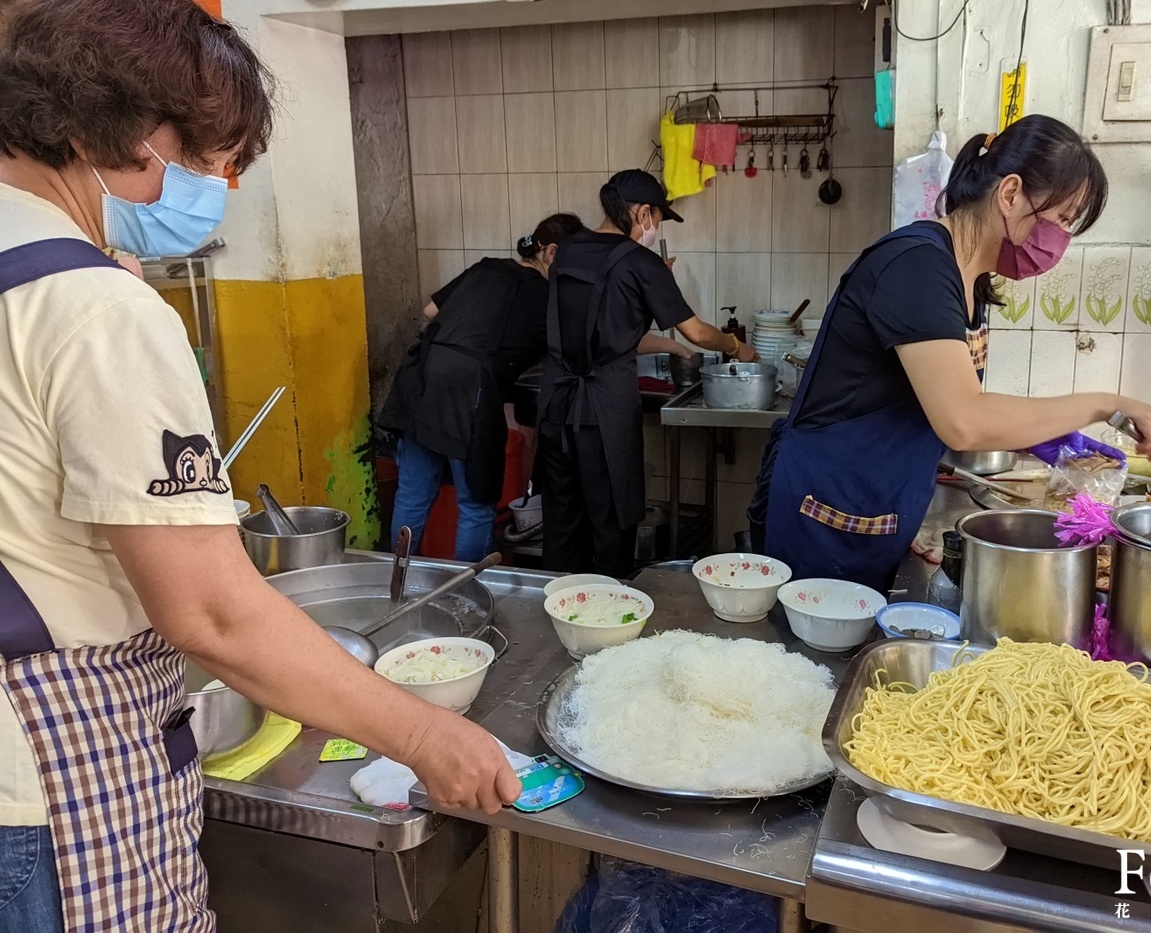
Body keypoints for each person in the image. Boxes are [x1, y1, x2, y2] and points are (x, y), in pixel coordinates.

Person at [0, 3, 518, 930]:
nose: (221, 191)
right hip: (44, 778)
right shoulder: (90, 306)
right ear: (102, 130)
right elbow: (210, 613)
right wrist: (424, 730)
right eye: (206, 160)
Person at [749, 115, 1151, 593]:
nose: (1060, 239)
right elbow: (962, 419)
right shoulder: (916, 265)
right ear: (1010, 193)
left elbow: (938, 399)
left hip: (878, 498)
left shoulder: (969, 281)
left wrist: (1042, 438)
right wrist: (1108, 403)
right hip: (830, 506)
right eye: (1061, 219)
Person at [537, 169, 758, 576]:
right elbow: (696, 331)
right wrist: (736, 347)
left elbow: (600, 323)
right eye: (656, 218)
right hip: (604, 408)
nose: (654, 228)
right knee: (612, 524)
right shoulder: (640, 262)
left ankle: (557, 618)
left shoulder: (567, 250)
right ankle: (608, 624)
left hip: (555, 404)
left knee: (562, 524)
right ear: (642, 213)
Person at [379, 213, 584, 561]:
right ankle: (465, 594)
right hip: (467, 390)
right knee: (476, 503)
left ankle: (398, 583)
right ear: (551, 253)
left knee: (412, 495)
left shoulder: (488, 267)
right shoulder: (548, 298)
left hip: (422, 378)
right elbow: (583, 346)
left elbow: (431, 310)